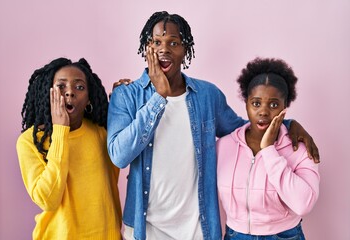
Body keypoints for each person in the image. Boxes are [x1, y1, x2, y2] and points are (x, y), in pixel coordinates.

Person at [107, 11, 319, 240]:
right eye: (156, 42)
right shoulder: (126, 96)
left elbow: (244, 128)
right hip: (144, 227)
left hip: (197, 228)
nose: (164, 49)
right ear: (146, 47)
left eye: (174, 43)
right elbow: (119, 156)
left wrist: (288, 123)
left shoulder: (207, 95)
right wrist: (159, 97)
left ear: (185, 49)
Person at [16, 57, 122, 239]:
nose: (70, 92)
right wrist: (60, 131)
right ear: (47, 93)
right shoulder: (29, 142)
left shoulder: (102, 134)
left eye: (79, 87)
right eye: (61, 86)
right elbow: (48, 200)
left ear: (89, 98)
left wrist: (121, 108)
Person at [217, 57, 320, 240]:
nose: (263, 111)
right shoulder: (224, 146)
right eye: (256, 103)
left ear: (285, 106)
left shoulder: (300, 148)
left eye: (273, 104)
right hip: (235, 235)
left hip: (284, 235)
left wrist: (269, 150)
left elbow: (304, 204)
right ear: (246, 104)